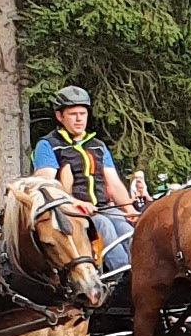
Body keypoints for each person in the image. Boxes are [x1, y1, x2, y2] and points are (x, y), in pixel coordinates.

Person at [30, 86, 137, 271]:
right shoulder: (48, 145)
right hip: (69, 210)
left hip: (103, 207)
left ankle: (140, 274)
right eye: (73, 114)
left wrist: (130, 210)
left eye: (83, 113)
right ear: (60, 116)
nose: (79, 119)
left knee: (127, 230)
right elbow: (45, 186)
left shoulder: (98, 146)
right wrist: (76, 202)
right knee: (104, 227)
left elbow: (114, 182)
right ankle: (122, 277)